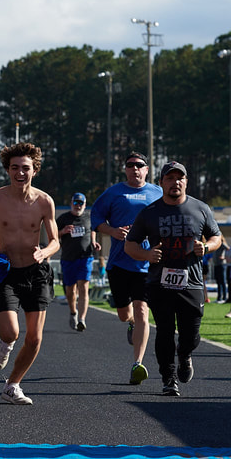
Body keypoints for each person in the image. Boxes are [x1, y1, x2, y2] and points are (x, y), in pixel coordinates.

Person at [124, 161, 222, 397]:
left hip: (192, 282)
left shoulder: (200, 208)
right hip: (160, 283)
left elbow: (216, 237)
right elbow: (130, 245)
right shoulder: (150, 212)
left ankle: (185, 354)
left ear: (186, 182)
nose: (175, 182)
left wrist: (206, 247)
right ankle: (168, 379)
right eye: (170, 178)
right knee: (165, 332)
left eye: (180, 178)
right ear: (161, 183)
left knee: (191, 335)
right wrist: (146, 254)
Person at [0, 142, 60, 405]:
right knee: (10, 332)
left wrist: (44, 252)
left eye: (25, 168)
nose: (20, 173)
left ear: (34, 170)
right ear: (7, 170)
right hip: (7, 272)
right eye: (14, 168)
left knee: (35, 337)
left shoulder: (44, 201)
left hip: (37, 272)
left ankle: (12, 385)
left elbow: (55, 240)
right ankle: (4, 345)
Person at [90, 151, 162, 386]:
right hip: (119, 263)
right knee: (125, 314)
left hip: (146, 263)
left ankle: (137, 364)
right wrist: (112, 231)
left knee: (143, 311)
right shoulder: (114, 193)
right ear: (125, 170)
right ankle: (130, 323)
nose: (135, 169)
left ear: (147, 169)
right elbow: (96, 218)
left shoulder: (157, 193)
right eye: (130, 165)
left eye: (139, 165)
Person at [57, 192, 101, 331]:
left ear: (85, 205)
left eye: (80, 203)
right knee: (70, 290)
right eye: (75, 203)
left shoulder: (89, 218)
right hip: (68, 258)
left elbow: (93, 231)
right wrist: (63, 231)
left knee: (83, 287)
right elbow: (53, 234)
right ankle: (73, 312)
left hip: (85, 257)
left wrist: (94, 242)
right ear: (71, 204)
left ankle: (82, 319)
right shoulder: (63, 218)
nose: (78, 206)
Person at [211, 238, 229, 303]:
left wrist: (225, 257)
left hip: (222, 264)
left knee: (223, 281)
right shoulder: (216, 244)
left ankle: (224, 297)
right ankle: (219, 297)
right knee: (218, 281)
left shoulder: (222, 244)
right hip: (216, 265)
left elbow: (228, 249)